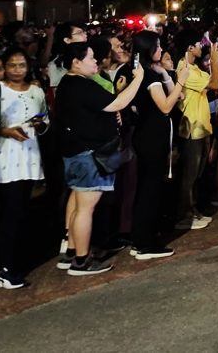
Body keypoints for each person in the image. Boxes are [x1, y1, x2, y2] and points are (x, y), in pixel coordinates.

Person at [56, 42, 144, 275]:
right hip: (89, 155)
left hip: (75, 153)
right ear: (76, 62)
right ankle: (82, 261)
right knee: (86, 207)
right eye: (91, 57)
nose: (96, 61)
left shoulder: (69, 83)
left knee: (76, 203)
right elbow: (118, 102)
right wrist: (138, 79)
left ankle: (72, 252)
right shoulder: (79, 84)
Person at [0, 48, 48, 289]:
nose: (17, 70)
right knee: (9, 212)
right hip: (8, 156)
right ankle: (4, 267)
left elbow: (45, 123)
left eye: (21, 65)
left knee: (21, 210)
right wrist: (5, 130)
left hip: (30, 154)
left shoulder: (36, 91)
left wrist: (40, 124)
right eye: (12, 65)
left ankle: (13, 262)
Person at [130, 30, 189, 260]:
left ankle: (141, 238)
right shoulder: (147, 77)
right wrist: (180, 80)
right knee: (149, 190)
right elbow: (166, 106)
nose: (161, 50)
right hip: (151, 139)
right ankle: (144, 243)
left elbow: (179, 97)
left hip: (151, 138)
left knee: (149, 188)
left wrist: (166, 73)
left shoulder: (149, 72)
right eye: (156, 46)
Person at [173, 29, 218, 231]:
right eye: (198, 42)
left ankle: (192, 210)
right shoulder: (184, 69)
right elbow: (216, 82)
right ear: (189, 48)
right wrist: (215, 61)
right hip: (191, 129)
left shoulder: (194, 67)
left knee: (196, 175)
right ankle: (183, 216)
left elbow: (212, 85)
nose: (202, 45)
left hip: (202, 127)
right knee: (188, 176)